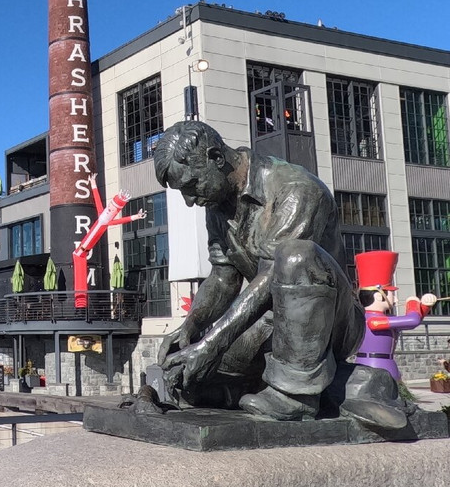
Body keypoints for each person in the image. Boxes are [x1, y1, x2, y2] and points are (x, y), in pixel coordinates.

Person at [152, 120, 374, 422]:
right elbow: (222, 277)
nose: (190, 200)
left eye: (192, 185)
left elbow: (273, 273)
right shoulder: (216, 208)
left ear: (217, 158)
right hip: (265, 321)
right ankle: (255, 387)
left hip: (331, 324)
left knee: (295, 256)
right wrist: (191, 328)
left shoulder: (297, 189)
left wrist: (212, 343)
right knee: (186, 377)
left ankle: (296, 396)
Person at [353, 250, 436, 381]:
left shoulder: (385, 320)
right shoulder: (374, 321)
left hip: (385, 367)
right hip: (373, 370)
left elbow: (413, 321)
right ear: (379, 296)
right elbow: (412, 320)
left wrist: (426, 306)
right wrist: (413, 303)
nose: (396, 299)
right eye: (392, 294)